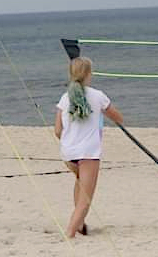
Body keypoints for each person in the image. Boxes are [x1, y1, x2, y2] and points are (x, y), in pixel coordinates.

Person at [55, 56, 124, 238]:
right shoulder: (97, 96)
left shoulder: (65, 98)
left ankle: (79, 224)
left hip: (68, 153)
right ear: (88, 74)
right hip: (88, 153)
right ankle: (69, 232)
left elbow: (57, 130)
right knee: (86, 199)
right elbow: (117, 117)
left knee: (80, 180)